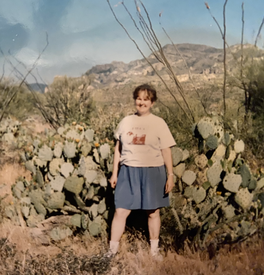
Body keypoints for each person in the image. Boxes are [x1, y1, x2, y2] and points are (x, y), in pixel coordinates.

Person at [108, 84, 176, 257]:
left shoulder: (159, 123)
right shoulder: (126, 121)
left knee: (153, 212)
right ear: (135, 100)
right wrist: (115, 173)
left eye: (146, 99)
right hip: (128, 170)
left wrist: (170, 175)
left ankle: (154, 252)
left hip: (153, 171)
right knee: (121, 210)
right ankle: (111, 252)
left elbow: (166, 150)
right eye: (139, 98)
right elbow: (118, 148)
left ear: (152, 102)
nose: (141, 102)